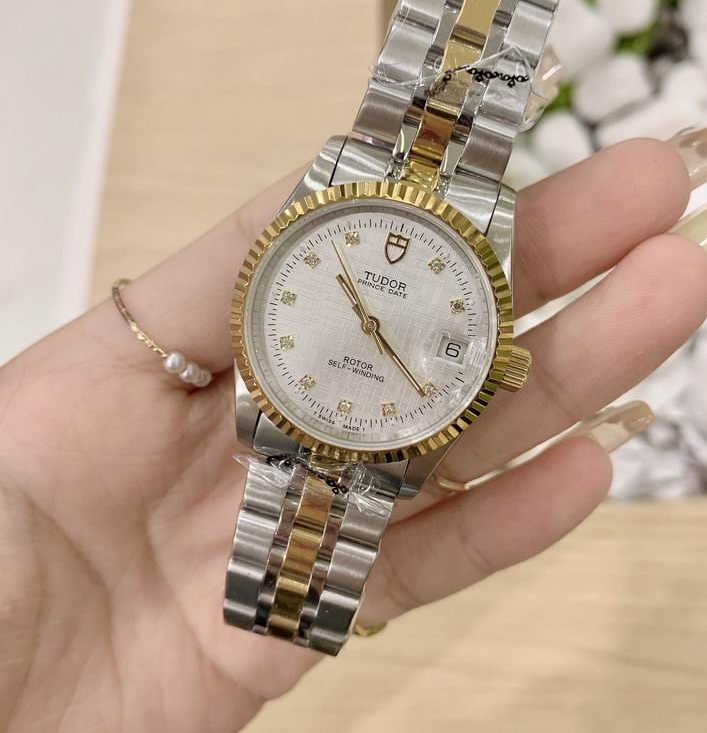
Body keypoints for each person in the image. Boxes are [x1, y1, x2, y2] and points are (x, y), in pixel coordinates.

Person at [1, 137, 706, 731]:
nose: (369, 327)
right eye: (365, 320)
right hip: (301, 405)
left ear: (499, 361)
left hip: (383, 422)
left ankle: (285, 614)